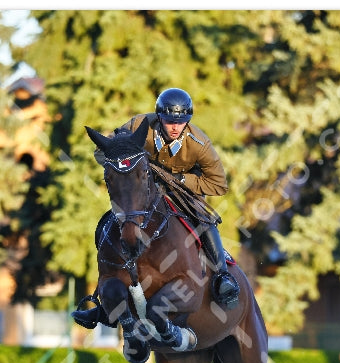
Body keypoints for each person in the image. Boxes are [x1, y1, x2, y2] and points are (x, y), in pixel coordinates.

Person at [72, 88, 240, 329]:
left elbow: (219, 185)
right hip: (141, 189)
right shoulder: (140, 125)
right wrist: (125, 160)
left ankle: (223, 275)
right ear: (159, 116)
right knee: (110, 222)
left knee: (204, 219)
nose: (175, 127)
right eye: (170, 121)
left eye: (181, 122)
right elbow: (103, 152)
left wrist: (181, 180)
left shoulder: (199, 144)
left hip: (183, 193)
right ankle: (101, 300)